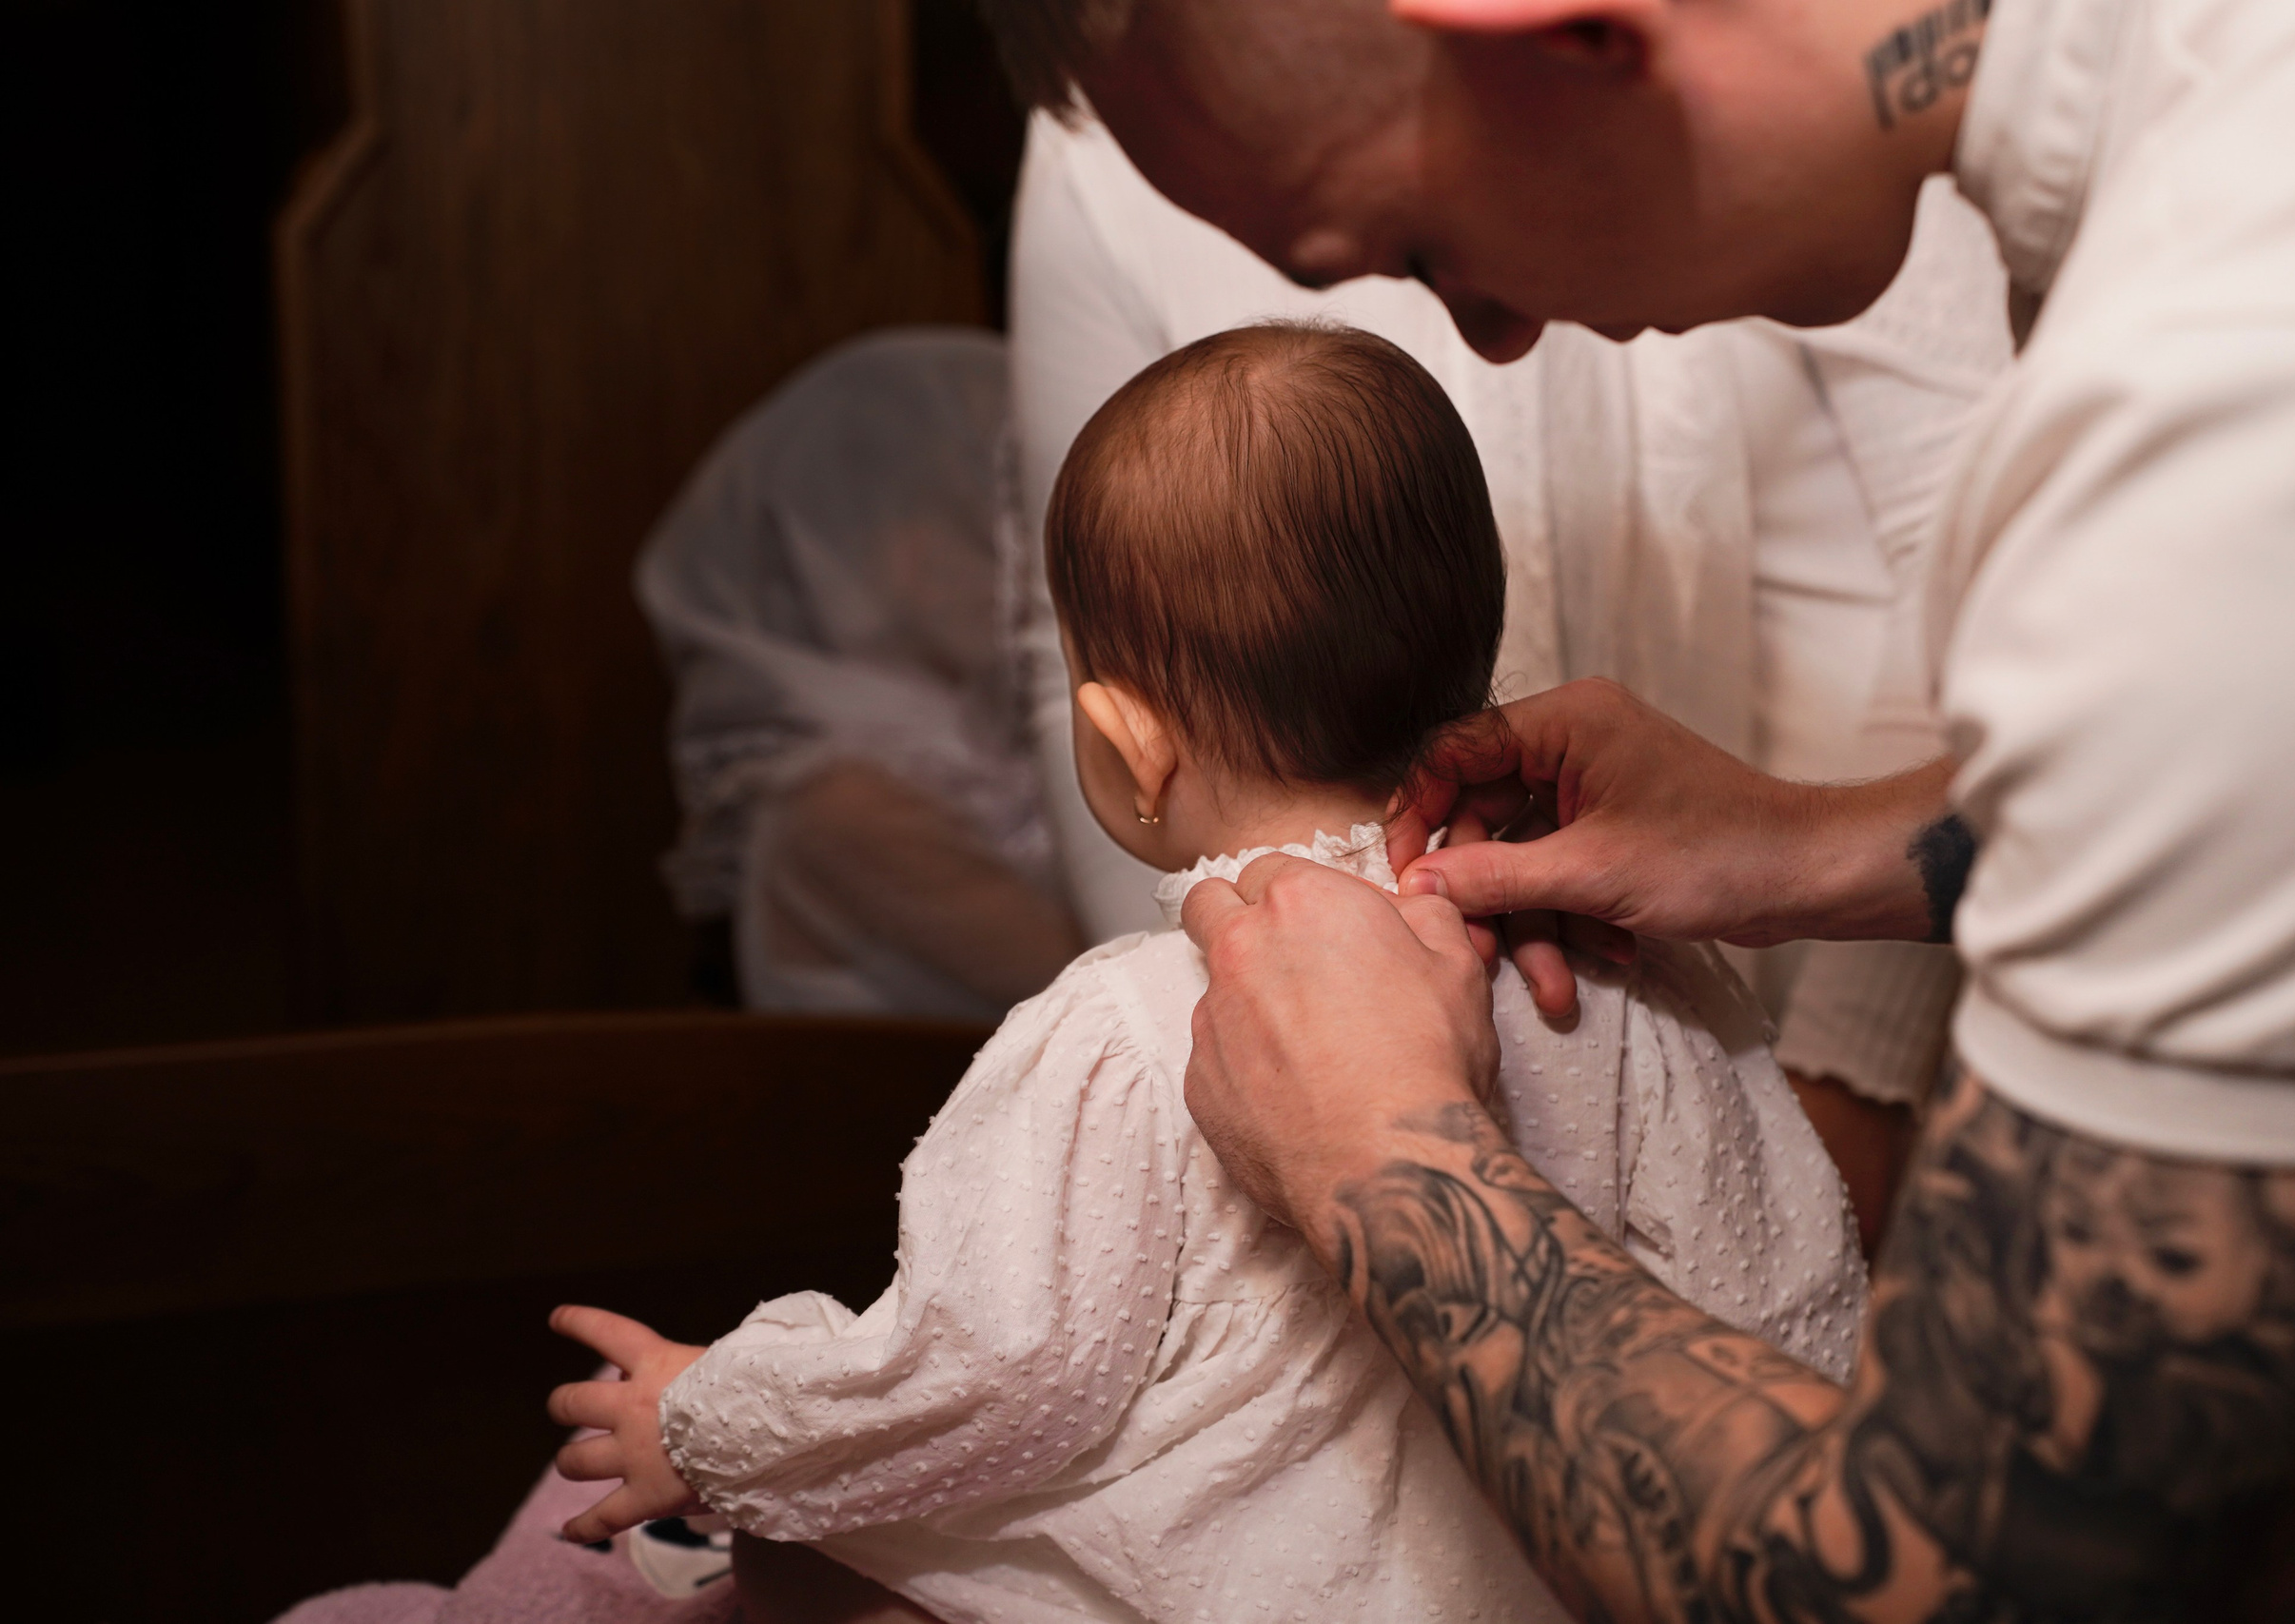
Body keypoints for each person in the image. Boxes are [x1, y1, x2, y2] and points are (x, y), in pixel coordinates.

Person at [975, 0, 2295, 1616]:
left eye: (1424, 247)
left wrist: (1385, 1162)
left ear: (1552, 27)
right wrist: (1827, 845)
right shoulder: (2252, 121)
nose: (1497, 338)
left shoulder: (2263, 391)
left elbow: (1992, 1580)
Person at [542, 323, 1866, 1622]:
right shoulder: (1628, 959)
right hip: (1625, 1563)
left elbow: (982, 1378)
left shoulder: (1123, 1029)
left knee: (796, 1563)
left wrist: (713, 1419)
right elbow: (1788, 1287)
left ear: (1128, 743)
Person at [1006, 97, 2013, 1252]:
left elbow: (962, 1348)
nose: (1498, 327)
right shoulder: (1656, 1010)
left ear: (1127, 741)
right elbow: (1795, 1311)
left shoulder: (1099, 1052)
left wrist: (1854, 1063)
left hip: (1822, 967)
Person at [637, 328, 1082, 1025]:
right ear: (909, 560)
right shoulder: (844, 807)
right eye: (1005, 532)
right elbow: (1089, 983)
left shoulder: (971, 751)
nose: (1044, 572)